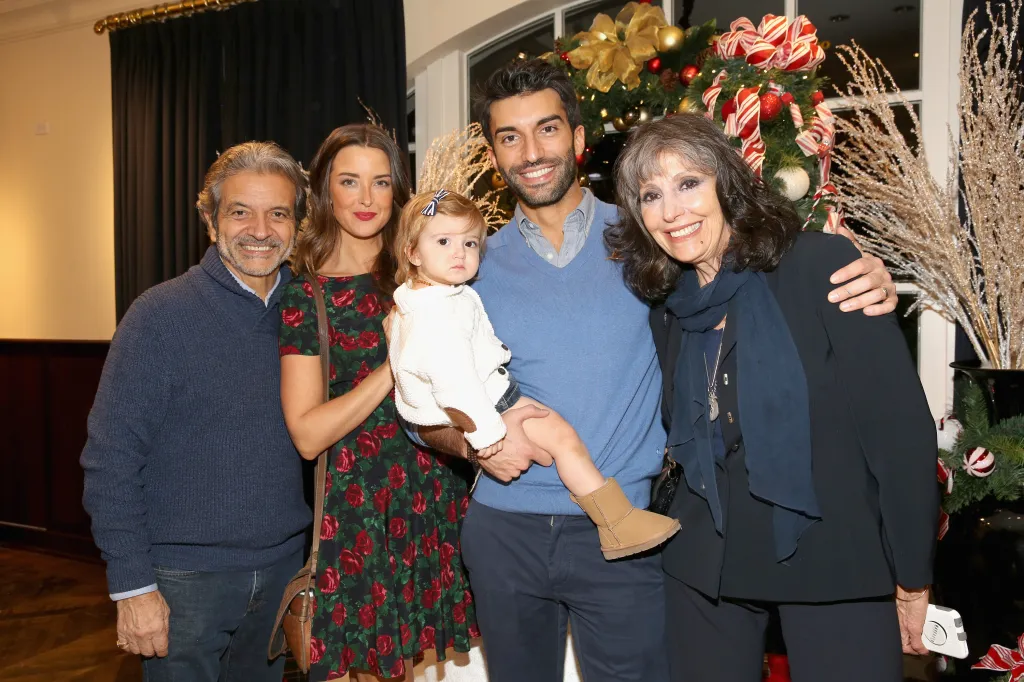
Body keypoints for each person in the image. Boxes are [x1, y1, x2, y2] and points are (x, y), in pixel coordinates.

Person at [409, 58, 899, 682]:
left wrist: (857, 273)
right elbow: (416, 396)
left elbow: (750, 268)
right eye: (510, 137)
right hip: (504, 530)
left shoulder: (653, 235)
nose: (530, 151)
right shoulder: (466, 266)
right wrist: (473, 448)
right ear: (495, 153)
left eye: (547, 129)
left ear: (579, 139)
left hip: (624, 535)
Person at [607, 113, 939, 682]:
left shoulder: (820, 266)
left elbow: (898, 431)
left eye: (689, 183)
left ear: (725, 184)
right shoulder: (668, 305)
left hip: (832, 554)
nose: (672, 211)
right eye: (651, 195)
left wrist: (912, 576)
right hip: (705, 565)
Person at [80, 142, 311, 682]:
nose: (260, 229)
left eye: (278, 213)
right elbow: (109, 460)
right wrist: (133, 587)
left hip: (283, 571)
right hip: (182, 582)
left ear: (297, 225)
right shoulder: (158, 317)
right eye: (240, 212)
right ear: (210, 220)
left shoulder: (307, 313)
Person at [278, 124, 478, 682]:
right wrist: (396, 363)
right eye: (349, 182)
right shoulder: (306, 294)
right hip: (360, 508)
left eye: (381, 182)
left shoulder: (428, 275)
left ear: (398, 193)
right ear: (324, 192)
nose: (366, 199)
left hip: (433, 496)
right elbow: (308, 434)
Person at [387, 188, 680, 560]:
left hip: (486, 404)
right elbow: (453, 383)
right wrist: (488, 438)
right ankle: (617, 521)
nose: (459, 252)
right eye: (443, 241)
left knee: (561, 438)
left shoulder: (434, 296)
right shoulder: (436, 314)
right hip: (487, 409)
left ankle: (615, 519)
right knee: (563, 438)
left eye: (471, 243)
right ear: (413, 252)